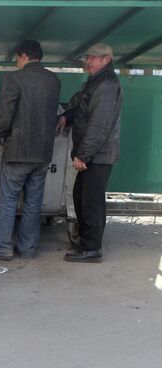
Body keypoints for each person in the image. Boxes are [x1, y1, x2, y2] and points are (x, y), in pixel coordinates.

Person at [0, 40, 61, 261]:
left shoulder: (14, 78)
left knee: (8, 199)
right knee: (34, 201)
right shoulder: (53, 80)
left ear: (24, 56)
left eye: (17, 58)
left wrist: (2, 134)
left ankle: (2, 249)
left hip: (19, 149)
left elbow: (7, 114)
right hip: (43, 152)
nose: (16, 62)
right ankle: (27, 250)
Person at [57, 43, 122, 263]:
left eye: (94, 58)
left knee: (91, 200)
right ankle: (86, 243)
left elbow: (100, 124)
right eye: (88, 57)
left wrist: (83, 154)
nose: (88, 61)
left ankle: (92, 249)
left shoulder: (107, 85)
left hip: (99, 153)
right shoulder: (96, 82)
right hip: (95, 152)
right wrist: (67, 116)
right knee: (81, 196)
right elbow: (83, 107)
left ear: (106, 60)